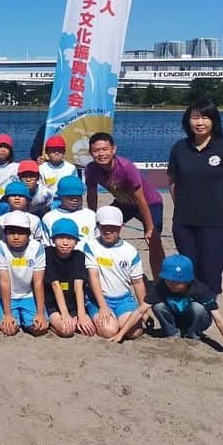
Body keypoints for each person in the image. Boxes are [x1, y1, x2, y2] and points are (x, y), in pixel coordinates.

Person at [167, 98, 223, 297]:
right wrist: (183, 207)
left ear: (214, 121)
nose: (200, 122)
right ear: (188, 121)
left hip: (216, 223)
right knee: (187, 271)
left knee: (210, 271)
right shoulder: (179, 148)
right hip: (184, 222)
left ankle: (206, 312)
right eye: (195, 117)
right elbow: (173, 182)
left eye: (205, 117)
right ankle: (188, 312)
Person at [115, 254, 223, 360]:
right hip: (174, 317)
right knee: (158, 306)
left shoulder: (200, 290)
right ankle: (172, 333)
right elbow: (140, 311)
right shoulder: (161, 286)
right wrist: (120, 335)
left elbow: (219, 320)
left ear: (188, 280)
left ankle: (193, 336)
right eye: (169, 280)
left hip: (195, 319)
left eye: (177, 282)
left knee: (199, 308)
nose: (172, 284)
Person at [84, 131, 165, 277]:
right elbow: (92, 195)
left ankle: (161, 281)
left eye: (104, 149)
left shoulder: (126, 167)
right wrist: (92, 218)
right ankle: (107, 270)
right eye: (96, 151)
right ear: (90, 153)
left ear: (113, 149)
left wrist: (149, 228)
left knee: (153, 241)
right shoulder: (91, 169)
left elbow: (141, 199)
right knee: (101, 229)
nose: (101, 154)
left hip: (149, 203)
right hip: (124, 203)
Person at [82, 206, 148, 341]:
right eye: (104, 227)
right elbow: (93, 277)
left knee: (134, 332)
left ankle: (117, 318)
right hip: (99, 298)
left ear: (121, 227)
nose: (109, 231)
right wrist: (103, 306)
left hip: (123, 299)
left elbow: (138, 282)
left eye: (114, 227)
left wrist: (144, 308)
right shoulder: (91, 246)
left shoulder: (130, 251)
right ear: (98, 226)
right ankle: (93, 313)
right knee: (109, 331)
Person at [0, 211, 48, 336]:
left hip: (27, 295)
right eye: (11, 233)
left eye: (21, 233)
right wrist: (7, 314)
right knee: (10, 329)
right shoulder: (0, 248)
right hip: (4, 296)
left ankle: (26, 319)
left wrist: (40, 313)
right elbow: (4, 282)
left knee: (39, 328)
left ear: (29, 234)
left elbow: (38, 282)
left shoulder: (37, 248)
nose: (16, 237)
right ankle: (15, 317)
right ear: (5, 233)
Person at [43, 219, 95, 337]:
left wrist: (81, 314)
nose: (65, 243)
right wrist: (65, 314)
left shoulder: (79, 256)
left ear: (76, 241)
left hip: (73, 304)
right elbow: (55, 285)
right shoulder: (48, 254)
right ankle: (52, 325)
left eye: (70, 239)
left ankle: (75, 317)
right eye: (60, 238)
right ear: (53, 240)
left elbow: (78, 286)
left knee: (87, 329)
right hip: (53, 305)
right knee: (67, 330)